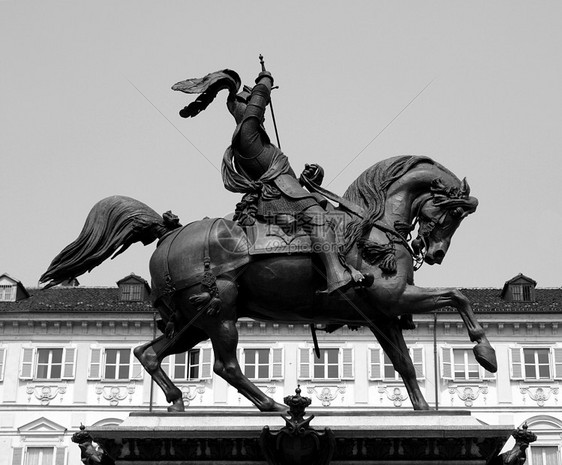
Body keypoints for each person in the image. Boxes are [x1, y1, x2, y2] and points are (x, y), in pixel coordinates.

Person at [222, 70, 373, 294]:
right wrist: (265, 81)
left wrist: (311, 176)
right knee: (317, 218)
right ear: (245, 107)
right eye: (253, 106)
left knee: (336, 218)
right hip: (276, 197)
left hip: (290, 192)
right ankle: (336, 275)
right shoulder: (246, 135)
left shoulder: (264, 145)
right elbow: (258, 106)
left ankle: (341, 266)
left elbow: (291, 180)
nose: (261, 115)